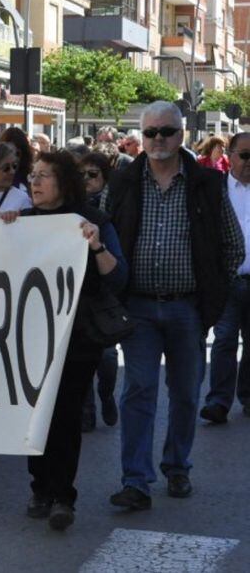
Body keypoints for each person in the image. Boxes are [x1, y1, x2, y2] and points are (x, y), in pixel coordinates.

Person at [102, 101, 245, 510]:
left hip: (188, 309)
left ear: (181, 134)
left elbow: (233, 247)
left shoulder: (207, 184)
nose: (158, 140)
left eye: (166, 132)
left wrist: (211, 299)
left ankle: (177, 465)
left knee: (184, 393)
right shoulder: (124, 181)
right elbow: (100, 229)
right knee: (139, 390)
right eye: (150, 133)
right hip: (139, 307)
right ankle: (135, 480)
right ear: (141, 137)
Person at [11, 152, 128, 531]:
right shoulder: (22, 221)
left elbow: (117, 276)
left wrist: (95, 246)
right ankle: (39, 487)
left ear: (64, 181)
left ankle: (63, 496)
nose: (35, 182)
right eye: (32, 176)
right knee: (34, 413)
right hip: (31, 335)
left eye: (44, 176)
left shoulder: (91, 220)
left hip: (78, 334)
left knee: (64, 414)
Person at [200, 132, 250, 423]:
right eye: (244, 155)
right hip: (227, 280)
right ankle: (218, 401)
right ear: (229, 156)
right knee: (224, 339)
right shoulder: (215, 190)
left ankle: (248, 395)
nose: (248, 162)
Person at [77, 150, 119, 432]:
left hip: (104, 293)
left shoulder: (113, 206)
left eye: (93, 175)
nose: (87, 180)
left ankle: (106, 393)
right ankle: (87, 409)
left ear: (104, 178)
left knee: (106, 357)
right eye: (81, 175)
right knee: (83, 357)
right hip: (79, 291)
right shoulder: (71, 206)